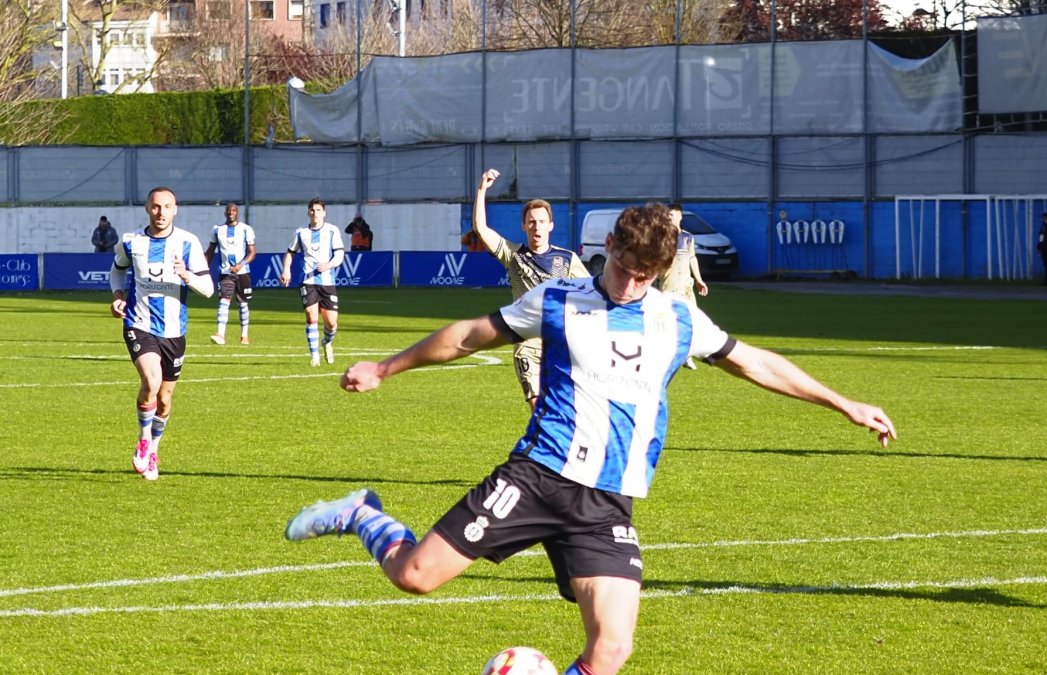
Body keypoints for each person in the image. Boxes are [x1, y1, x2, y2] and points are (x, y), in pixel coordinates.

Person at [283, 204, 897, 675]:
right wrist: (385, 368)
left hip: (606, 503)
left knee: (611, 650)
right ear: (607, 249)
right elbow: (469, 335)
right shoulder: (558, 300)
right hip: (537, 478)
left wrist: (844, 403)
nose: (630, 284)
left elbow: (754, 362)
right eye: (624, 269)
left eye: (645, 276)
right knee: (414, 576)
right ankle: (362, 514)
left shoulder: (677, 319)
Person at [109, 186, 214, 481]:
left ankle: (154, 449)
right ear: (147, 208)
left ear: (175, 210)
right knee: (151, 381)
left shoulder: (188, 243)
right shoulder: (131, 242)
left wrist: (186, 274)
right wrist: (118, 295)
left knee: (165, 400)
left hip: (174, 330)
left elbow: (208, 289)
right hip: (138, 323)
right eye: (155, 206)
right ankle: (143, 439)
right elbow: (117, 271)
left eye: (167, 206)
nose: (161, 212)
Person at [472, 168, 588, 410]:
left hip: (560, 345)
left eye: (542, 222)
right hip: (527, 345)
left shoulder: (567, 259)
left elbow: (591, 292)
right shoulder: (513, 255)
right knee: (538, 407)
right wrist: (482, 190)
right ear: (524, 226)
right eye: (532, 222)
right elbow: (481, 229)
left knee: (566, 409)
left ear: (551, 226)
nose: (537, 227)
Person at [281, 198, 345, 367]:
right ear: (308, 212)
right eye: (312, 210)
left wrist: (329, 265)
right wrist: (286, 269)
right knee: (311, 314)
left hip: (327, 281)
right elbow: (290, 252)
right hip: (307, 280)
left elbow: (340, 254)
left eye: (318, 210)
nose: (315, 213)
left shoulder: (332, 230)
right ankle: (314, 356)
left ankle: (327, 342)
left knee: (331, 322)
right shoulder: (301, 232)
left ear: (324, 213)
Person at [657, 203, 709, 369]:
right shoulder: (662, 238)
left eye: (672, 215)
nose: (669, 218)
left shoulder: (688, 238)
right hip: (668, 287)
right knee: (668, 323)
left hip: (686, 287)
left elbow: (692, 258)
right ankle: (666, 355)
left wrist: (699, 280)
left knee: (691, 321)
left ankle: (687, 356)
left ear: (680, 216)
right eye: (667, 216)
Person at [204, 202, 256, 345]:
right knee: (224, 301)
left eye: (234, 210)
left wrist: (241, 265)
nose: (231, 213)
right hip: (225, 272)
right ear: (225, 213)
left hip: (243, 272)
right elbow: (210, 251)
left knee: (243, 304)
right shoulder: (217, 230)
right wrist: (203, 269)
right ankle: (220, 334)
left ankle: (244, 335)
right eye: (229, 210)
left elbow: (252, 252)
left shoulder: (246, 229)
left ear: (237, 213)